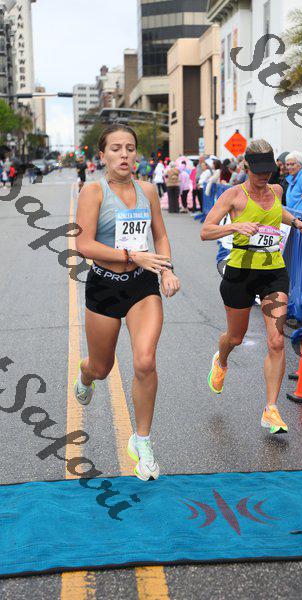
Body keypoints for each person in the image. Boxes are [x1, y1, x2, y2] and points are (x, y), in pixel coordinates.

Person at [74, 123, 180, 481]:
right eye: (116, 148)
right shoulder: (93, 191)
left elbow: (160, 235)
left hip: (141, 285)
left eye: (130, 148)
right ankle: (85, 374)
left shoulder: (148, 190)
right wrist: (131, 254)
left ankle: (142, 440)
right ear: (102, 155)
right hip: (104, 286)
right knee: (101, 368)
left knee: (145, 361)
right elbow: (83, 245)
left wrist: (166, 270)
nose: (124, 155)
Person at [200, 139, 302, 434]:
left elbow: (277, 212)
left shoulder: (276, 191)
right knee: (235, 337)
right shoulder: (233, 195)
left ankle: (271, 410)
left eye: (268, 171)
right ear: (247, 167)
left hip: (273, 272)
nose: (264, 176)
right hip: (240, 273)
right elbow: (205, 230)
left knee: (276, 341)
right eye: (258, 171)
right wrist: (234, 225)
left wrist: (296, 222)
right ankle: (221, 360)